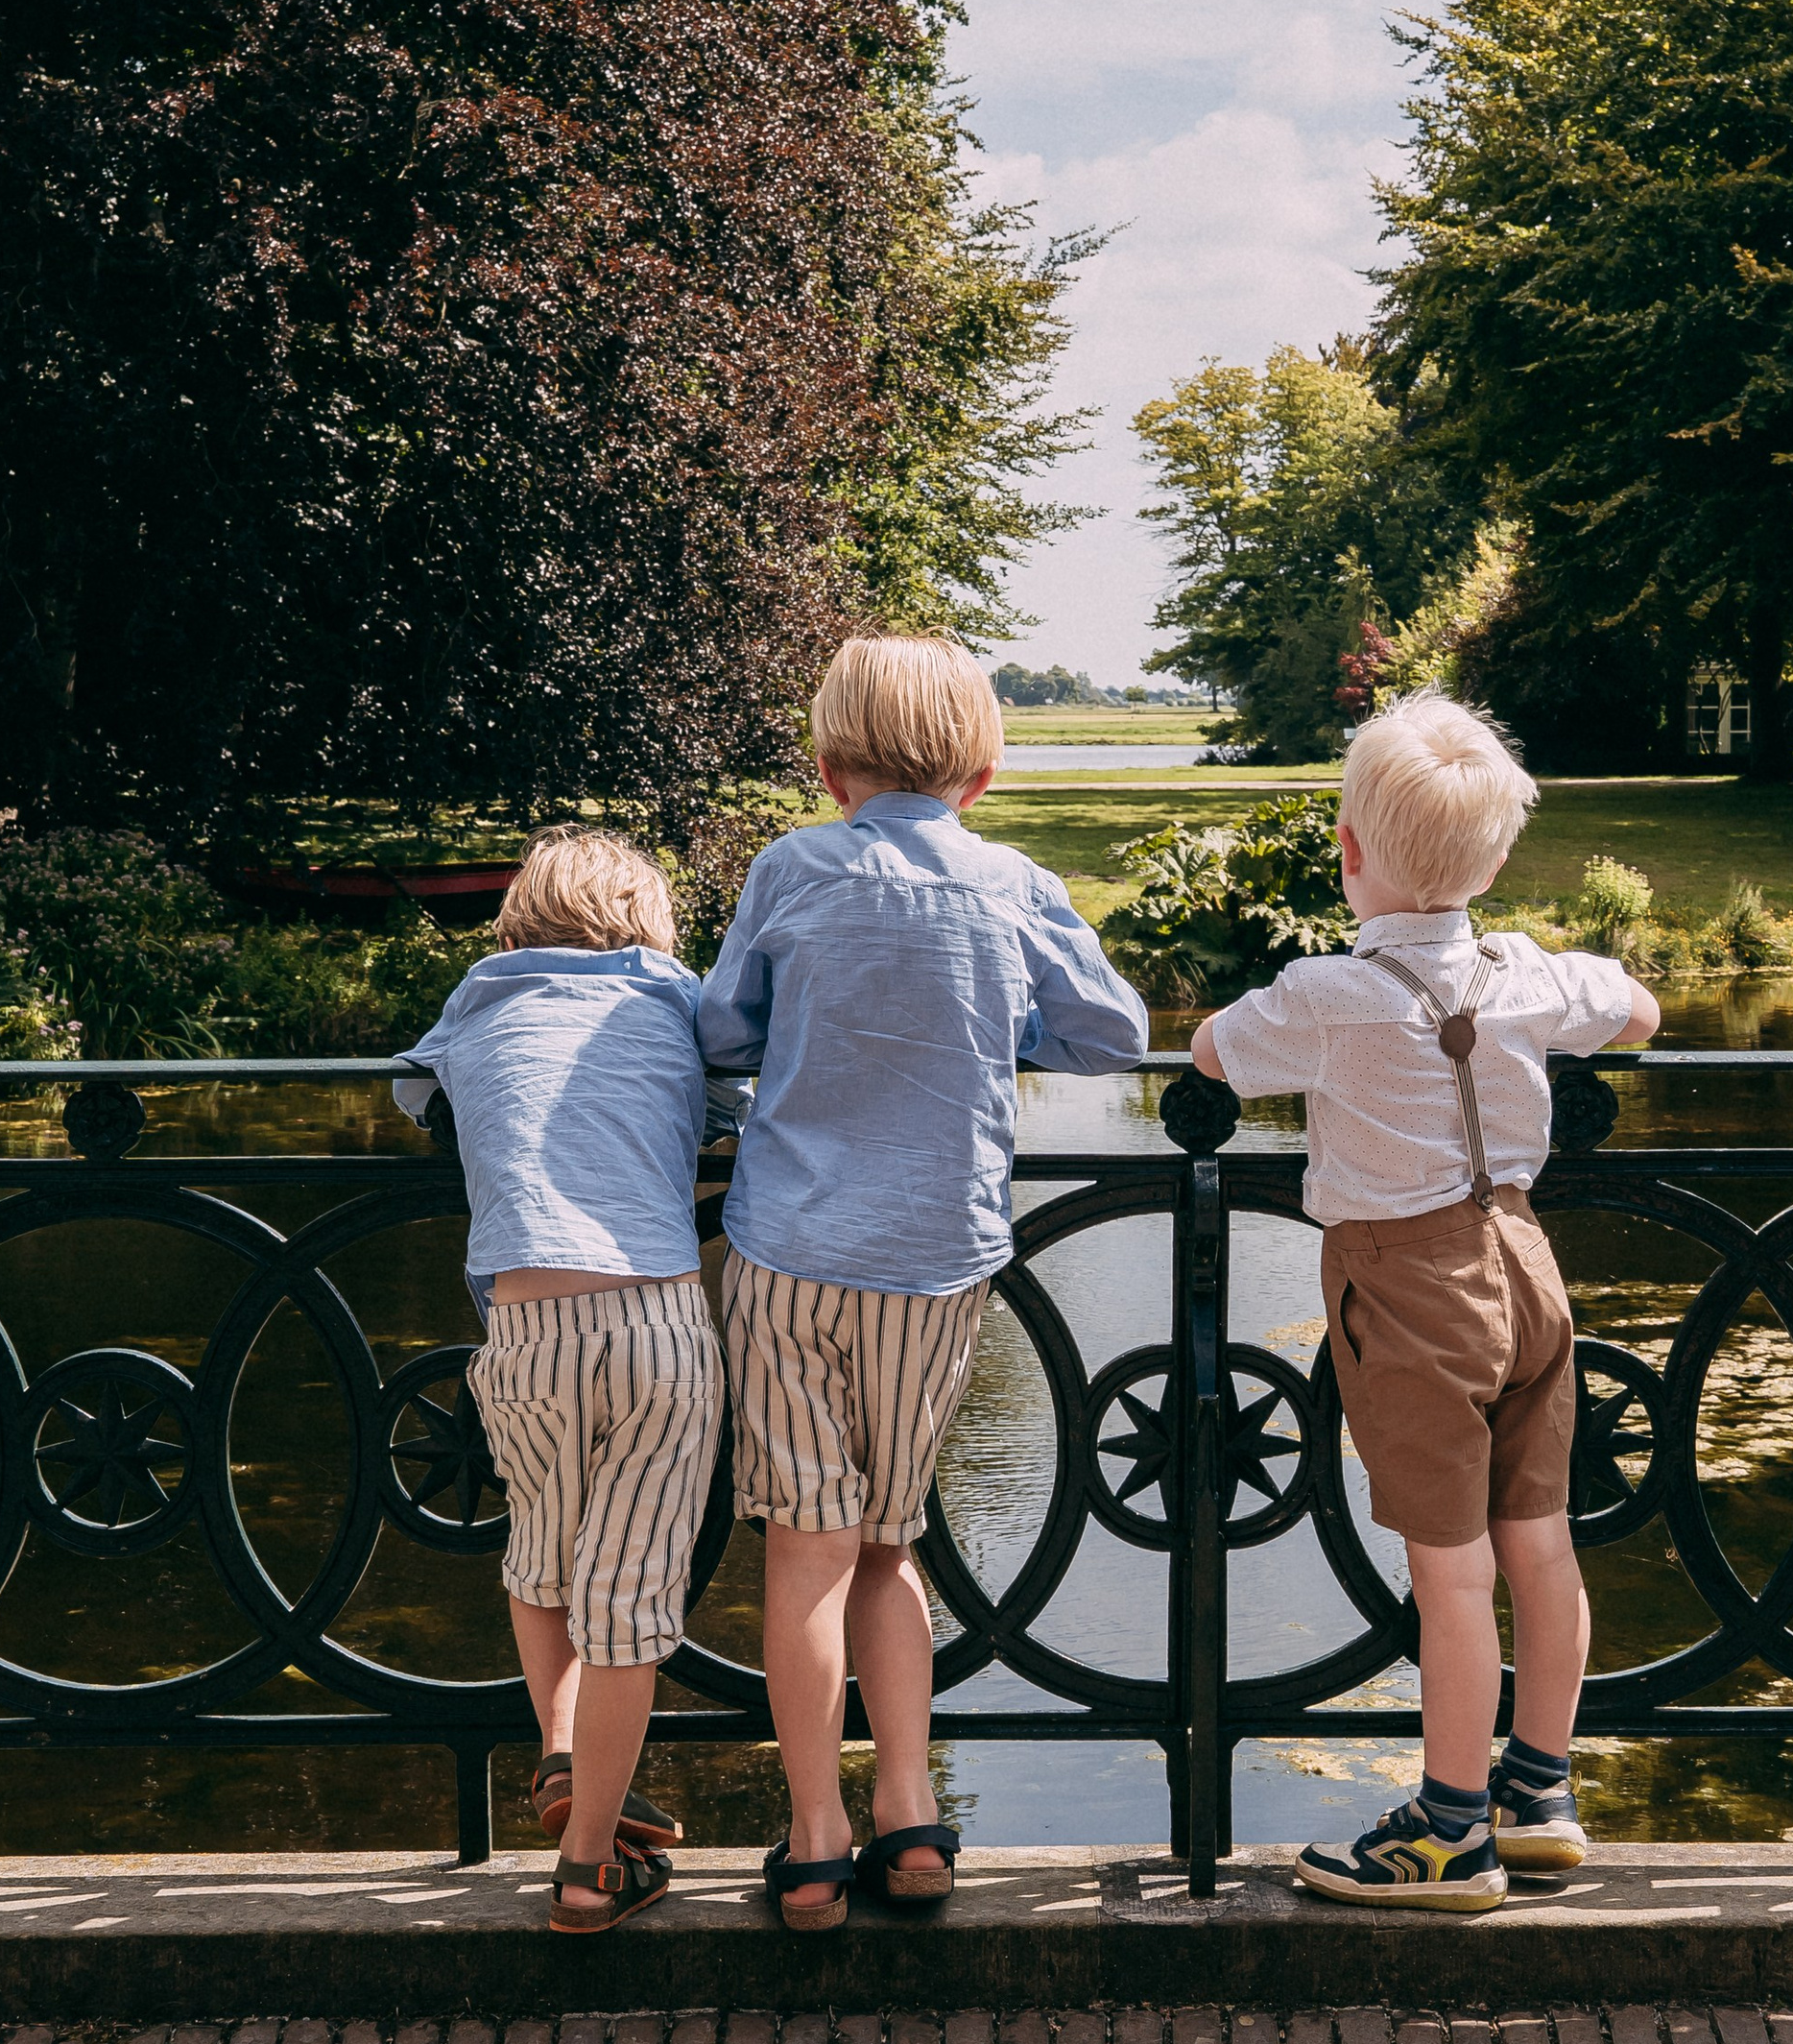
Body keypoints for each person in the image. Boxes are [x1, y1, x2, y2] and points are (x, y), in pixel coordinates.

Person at [698, 634, 1149, 1932]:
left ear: (828, 769)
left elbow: (720, 1032)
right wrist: (997, 1030)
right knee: (891, 1545)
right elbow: (1113, 1032)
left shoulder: (790, 867)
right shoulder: (1013, 882)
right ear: (983, 773)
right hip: (934, 1263)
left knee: (806, 1554)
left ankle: (814, 1838)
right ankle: (909, 1815)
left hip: (789, 1252)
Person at [1191, 691, 1660, 1912]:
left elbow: (1212, 1052)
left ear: (1348, 851)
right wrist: (1543, 982)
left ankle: (1450, 1831)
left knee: (1451, 1574)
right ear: (1495, 861)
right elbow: (1639, 1010)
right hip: (1525, 1265)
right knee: (1540, 1543)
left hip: (1410, 1286)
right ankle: (1538, 1789)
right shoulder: (1525, 973)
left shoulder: (1328, 995)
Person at [394, 827, 744, 1936]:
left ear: (517, 922)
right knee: (630, 1605)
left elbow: (412, 1093)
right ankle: (588, 1868)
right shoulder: (673, 995)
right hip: (651, 1324)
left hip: (522, 1327)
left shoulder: (481, 992)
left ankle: (558, 1748)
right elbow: (732, 1102)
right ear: (648, 926)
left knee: (542, 1553)